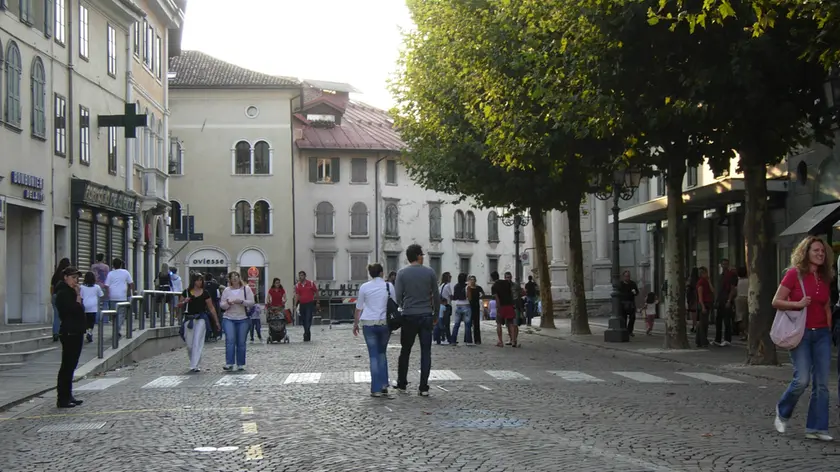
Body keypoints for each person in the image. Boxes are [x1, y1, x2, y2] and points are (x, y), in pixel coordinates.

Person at [773, 236, 833, 441]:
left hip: (822, 334)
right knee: (802, 380)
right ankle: (782, 410)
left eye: (822, 251)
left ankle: (817, 428)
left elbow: (826, 305)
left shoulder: (825, 277)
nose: (820, 254)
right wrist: (798, 304)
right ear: (805, 252)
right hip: (801, 334)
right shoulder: (794, 274)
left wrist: (829, 329)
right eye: (816, 250)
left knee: (822, 384)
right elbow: (776, 301)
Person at [395, 244, 439, 397]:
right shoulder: (430, 272)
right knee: (426, 351)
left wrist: (404, 305)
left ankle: (402, 383)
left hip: (409, 315)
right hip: (426, 314)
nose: (423, 257)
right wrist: (436, 314)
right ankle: (423, 387)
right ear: (418, 256)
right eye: (422, 255)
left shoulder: (401, 273)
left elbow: (398, 296)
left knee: (405, 350)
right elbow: (436, 295)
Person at [353, 263, 396, 398]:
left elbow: (359, 308)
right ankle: (384, 385)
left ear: (370, 273)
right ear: (382, 273)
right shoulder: (389, 286)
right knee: (382, 353)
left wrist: (355, 324)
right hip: (384, 324)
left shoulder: (364, 287)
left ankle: (375, 388)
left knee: (373, 356)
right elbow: (394, 304)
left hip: (368, 324)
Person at [54, 267, 86, 408]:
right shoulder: (63, 293)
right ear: (65, 277)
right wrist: (78, 298)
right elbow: (71, 310)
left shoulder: (70, 291)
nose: (75, 281)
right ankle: (63, 398)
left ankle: (69, 395)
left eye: (77, 278)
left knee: (71, 366)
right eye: (73, 278)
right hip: (69, 332)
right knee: (67, 367)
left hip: (76, 331)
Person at [178, 273, 221, 372]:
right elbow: (178, 305)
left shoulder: (205, 293)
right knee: (189, 345)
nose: (200, 282)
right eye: (198, 280)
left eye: (201, 280)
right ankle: (194, 361)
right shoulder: (186, 292)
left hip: (201, 318)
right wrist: (184, 302)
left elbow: (211, 308)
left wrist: (217, 322)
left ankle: (194, 365)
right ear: (193, 281)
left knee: (197, 341)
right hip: (189, 319)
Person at [220, 272, 255, 371]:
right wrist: (228, 303)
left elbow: (251, 302)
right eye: (232, 277)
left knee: (241, 342)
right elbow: (222, 305)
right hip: (229, 318)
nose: (234, 279)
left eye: (236, 277)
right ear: (230, 280)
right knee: (230, 340)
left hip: (242, 318)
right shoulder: (226, 290)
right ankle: (229, 362)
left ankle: (240, 363)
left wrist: (241, 302)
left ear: (239, 278)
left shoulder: (246, 289)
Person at [104, 258, 133, 335]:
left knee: (114, 314)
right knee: (121, 314)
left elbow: (106, 285)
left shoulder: (110, 273)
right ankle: (117, 329)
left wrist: (108, 293)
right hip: (122, 296)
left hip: (112, 296)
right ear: (121, 265)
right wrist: (130, 292)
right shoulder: (125, 272)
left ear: (113, 265)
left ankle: (115, 329)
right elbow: (131, 283)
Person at [714, 258, 738, 346]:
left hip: (726, 299)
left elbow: (732, 289)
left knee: (727, 320)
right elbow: (719, 289)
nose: (725, 266)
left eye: (726, 264)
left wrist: (729, 300)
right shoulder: (721, 275)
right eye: (723, 264)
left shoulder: (730, 275)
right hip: (720, 299)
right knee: (718, 320)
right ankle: (718, 339)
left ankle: (727, 339)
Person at [492, 271, 518, 347]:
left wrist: (498, 307)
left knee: (499, 324)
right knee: (511, 323)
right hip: (509, 305)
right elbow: (511, 294)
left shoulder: (494, 286)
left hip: (502, 306)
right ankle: (513, 341)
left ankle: (500, 341)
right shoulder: (507, 283)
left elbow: (496, 298)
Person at [50, 258, 71, 342]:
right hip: (63, 296)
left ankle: (55, 333)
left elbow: (51, 287)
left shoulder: (55, 274)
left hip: (55, 295)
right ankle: (63, 332)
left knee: (56, 316)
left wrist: (53, 295)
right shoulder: (66, 275)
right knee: (65, 315)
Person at [80, 272, 104, 344]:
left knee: (86, 321)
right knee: (92, 321)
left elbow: (81, 297)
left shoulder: (82, 287)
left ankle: (87, 331)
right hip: (93, 306)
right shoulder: (97, 287)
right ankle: (90, 332)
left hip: (85, 305)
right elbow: (101, 295)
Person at [294, 271, 318, 342]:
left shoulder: (310, 283)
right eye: (299, 276)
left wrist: (317, 301)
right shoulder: (298, 285)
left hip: (309, 304)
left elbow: (316, 291)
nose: (300, 277)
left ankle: (306, 333)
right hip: (302, 304)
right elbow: (297, 295)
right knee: (304, 320)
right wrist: (295, 305)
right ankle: (307, 332)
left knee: (308, 318)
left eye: (302, 275)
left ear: (305, 276)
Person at [450, 273, 472, 345]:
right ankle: (468, 341)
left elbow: (455, 297)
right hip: (466, 304)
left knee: (456, 324)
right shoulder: (467, 286)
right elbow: (469, 297)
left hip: (458, 305)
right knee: (467, 324)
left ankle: (453, 340)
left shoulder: (456, 286)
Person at [695, 267, 713, 348]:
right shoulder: (701, 283)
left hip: (707, 304)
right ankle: (702, 341)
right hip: (704, 304)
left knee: (703, 323)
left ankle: (700, 340)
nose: (707, 274)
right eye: (706, 273)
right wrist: (703, 307)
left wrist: (709, 281)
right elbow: (700, 296)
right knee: (703, 324)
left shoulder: (706, 282)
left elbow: (713, 290)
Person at [434, 272, 452, 345]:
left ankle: (437, 338)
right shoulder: (448, 286)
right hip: (446, 305)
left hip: (440, 305)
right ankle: (446, 338)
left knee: (439, 322)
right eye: (450, 276)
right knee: (446, 323)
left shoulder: (440, 286)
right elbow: (451, 296)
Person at [619, 271, 639, 337]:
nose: (627, 277)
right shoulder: (621, 284)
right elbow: (619, 293)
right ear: (623, 277)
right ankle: (625, 330)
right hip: (623, 303)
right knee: (624, 318)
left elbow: (637, 292)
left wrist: (634, 292)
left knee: (632, 317)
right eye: (626, 276)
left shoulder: (633, 283)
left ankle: (630, 331)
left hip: (631, 303)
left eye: (628, 276)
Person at [467, 275, 485, 345]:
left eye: (473, 279)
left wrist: (480, 296)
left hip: (476, 306)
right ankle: (468, 339)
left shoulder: (478, 288)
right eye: (471, 280)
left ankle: (477, 339)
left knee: (476, 324)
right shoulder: (468, 288)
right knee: (469, 323)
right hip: (469, 306)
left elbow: (483, 294)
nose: (472, 281)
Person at [735, 267, 749, 341]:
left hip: (739, 298)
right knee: (747, 316)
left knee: (740, 317)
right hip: (748, 298)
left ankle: (743, 333)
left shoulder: (738, 281)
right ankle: (747, 332)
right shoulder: (749, 281)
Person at [686, 267, 699, 333]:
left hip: (691, 297)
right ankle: (695, 325)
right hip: (696, 296)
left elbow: (687, 287)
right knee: (695, 312)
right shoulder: (698, 279)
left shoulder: (690, 279)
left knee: (692, 312)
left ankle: (693, 325)